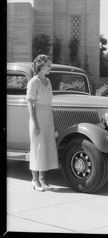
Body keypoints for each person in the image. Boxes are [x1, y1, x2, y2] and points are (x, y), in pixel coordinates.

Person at [26, 54, 59, 191]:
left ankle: (43, 180)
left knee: (46, 148)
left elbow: (49, 104)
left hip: (48, 117)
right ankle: (34, 180)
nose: (50, 68)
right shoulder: (33, 82)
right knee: (37, 148)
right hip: (37, 117)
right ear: (40, 66)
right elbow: (30, 105)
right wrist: (35, 124)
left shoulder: (48, 81)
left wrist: (53, 122)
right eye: (47, 65)